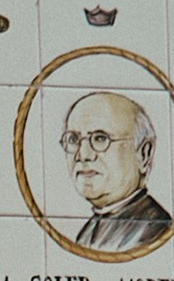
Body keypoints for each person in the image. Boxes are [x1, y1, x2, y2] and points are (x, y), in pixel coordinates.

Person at [61, 88, 174, 254]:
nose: (83, 155)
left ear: (143, 154)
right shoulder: (87, 233)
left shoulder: (153, 229)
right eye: (73, 139)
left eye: (100, 138)